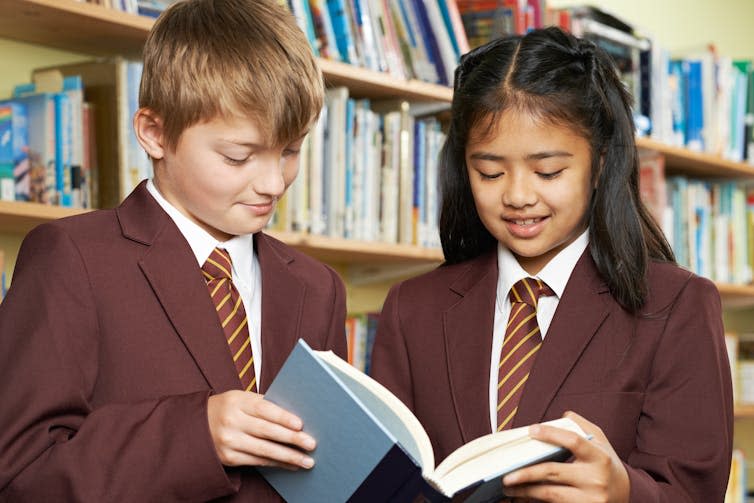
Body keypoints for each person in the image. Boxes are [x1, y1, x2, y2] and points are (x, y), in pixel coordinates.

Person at [0, 0, 347, 500]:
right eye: (238, 156)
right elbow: (19, 475)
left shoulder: (318, 288)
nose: (274, 183)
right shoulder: (72, 258)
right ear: (155, 133)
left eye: (291, 151)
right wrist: (195, 434)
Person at [370, 26, 732, 502]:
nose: (518, 196)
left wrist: (624, 492)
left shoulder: (676, 305)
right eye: (490, 172)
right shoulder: (411, 308)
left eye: (548, 172)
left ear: (600, 164)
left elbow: (694, 489)